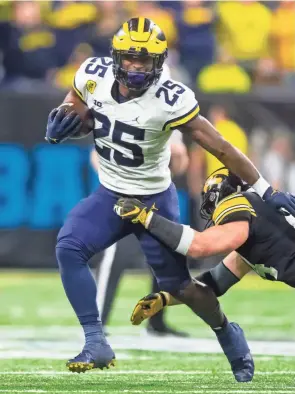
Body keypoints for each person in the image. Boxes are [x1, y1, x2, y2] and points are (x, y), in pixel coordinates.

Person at [45, 17, 295, 378]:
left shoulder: (169, 98)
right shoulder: (92, 73)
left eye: (144, 60)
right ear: (116, 56)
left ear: (159, 63)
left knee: (182, 288)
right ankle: (95, 340)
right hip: (110, 192)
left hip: (153, 199)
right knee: (68, 247)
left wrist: (264, 189)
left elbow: (221, 147)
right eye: (129, 58)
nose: (135, 66)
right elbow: (77, 100)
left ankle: (226, 331)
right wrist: (65, 118)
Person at [114, 167, 295, 326]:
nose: (213, 214)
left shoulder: (239, 202)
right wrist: (165, 298)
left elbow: (200, 246)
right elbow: (215, 282)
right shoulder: (261, 228)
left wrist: (148, 218)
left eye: (212, 204)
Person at [91, 130, 189, 337]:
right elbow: (96, 154)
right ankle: (96, 321)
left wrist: (175, 156)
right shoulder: (125, 118)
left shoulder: (170, 121)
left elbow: (181, 164)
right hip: (127, 197)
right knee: (115, 257)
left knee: (165, 260)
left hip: (157, 200)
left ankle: (156, 320)